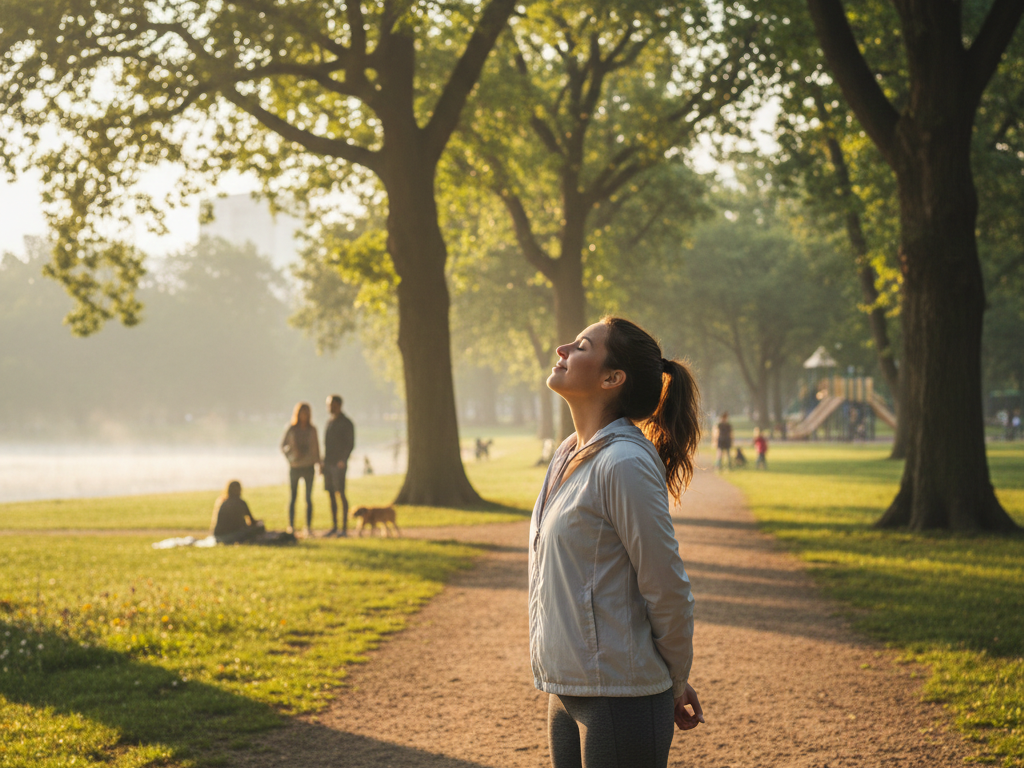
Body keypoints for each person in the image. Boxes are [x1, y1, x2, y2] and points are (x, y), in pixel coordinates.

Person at [531, 316, 704, 768]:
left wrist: (674, 677)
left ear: (612, 378)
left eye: (582, 345)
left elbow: (667, 587)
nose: (562, 348)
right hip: (568, 690)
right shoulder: (567, 455)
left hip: (621, 695)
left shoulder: (624, 462)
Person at [281, 402, 320, 536]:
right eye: (302, 413)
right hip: (295, 466)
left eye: (306, 413)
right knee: (293, 497)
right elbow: (283, 446)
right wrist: (291, 457)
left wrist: (319, 463)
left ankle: (308, 527)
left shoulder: (312, 429)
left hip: (309, 466)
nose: (304, 416)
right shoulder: (291, 429)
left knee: (308, 498)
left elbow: (317, 447)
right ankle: (291, 526)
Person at [323, 394, 355, 537]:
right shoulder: (329, 422)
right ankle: (335, 526)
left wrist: (343, 459)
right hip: (328, 463)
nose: (330, 408)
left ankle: (344, 528)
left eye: (333, 405)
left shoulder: (346, 423)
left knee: (341, 493)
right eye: (329, 405)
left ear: (339, 405)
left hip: (339, 464)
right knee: (331, 494)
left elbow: (350, 443)